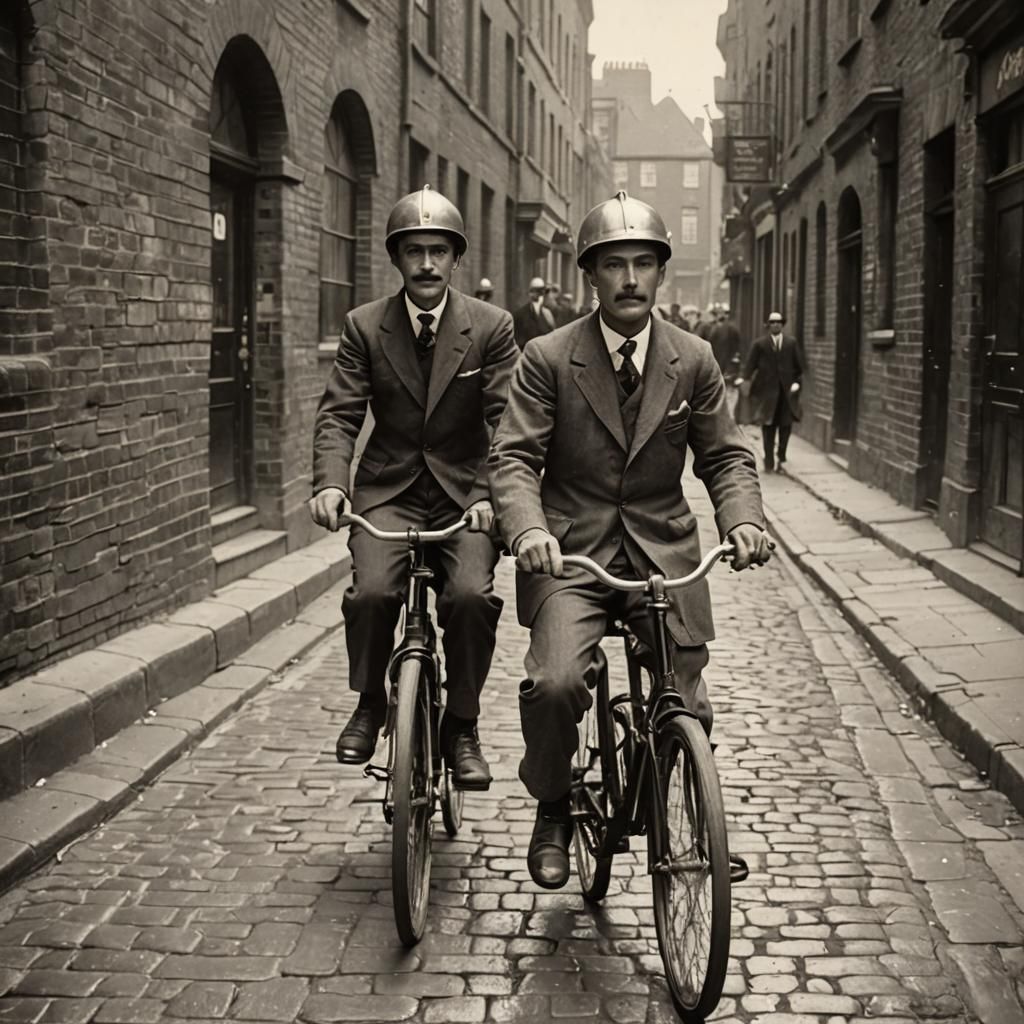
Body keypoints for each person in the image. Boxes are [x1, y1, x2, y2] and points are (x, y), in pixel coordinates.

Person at [488, 191, 772, 890]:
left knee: (690, 706)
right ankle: (554, 805)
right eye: (613, 265)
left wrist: (742, 519)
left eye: (643, 263)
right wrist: (526, 528)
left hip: (663, 552)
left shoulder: (694, 359)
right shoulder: (549, 357)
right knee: (554, 684)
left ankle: (688, 815)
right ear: (590, 274)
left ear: (661, 273)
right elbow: (515, 458)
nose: (629, 279)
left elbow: (726, 457)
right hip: (572, 552)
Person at [309, 185, 518, 791]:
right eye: (414, 251)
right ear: (396, 259)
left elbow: (507, 422)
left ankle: (462, 724)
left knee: (471, 599)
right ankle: (370, 702)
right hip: (389, 490)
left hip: (465, 495)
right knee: (372, 593)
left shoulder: (491, 328)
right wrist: (331, 484)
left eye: (439, 251)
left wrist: (488, 495)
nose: (427, 264)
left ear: (456, 259)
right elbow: (340, 413)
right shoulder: (364, 327)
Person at [735, 311, 805, 473]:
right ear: (768, 325)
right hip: (767, 393)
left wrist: (796, 383)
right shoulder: (760, 344)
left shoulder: (791, 343)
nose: (775, 325)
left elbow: (799, 368)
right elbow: (750, 365)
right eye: (772, 322)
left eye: (779, 322)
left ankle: (782, 456)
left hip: (786, 393)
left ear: (782, 325)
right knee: (768, 426)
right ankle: (768, 460)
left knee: (786, 425)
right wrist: (742, 378)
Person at [709, 308, 743, 415]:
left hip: (723, 361)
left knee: (725, 387)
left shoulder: (723, 329)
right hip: (723, 361)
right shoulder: (715, 328)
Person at [512, 277, 556, 348]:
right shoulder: (519, 315)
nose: (539, 295)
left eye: (541, 292)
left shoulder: (547, 314)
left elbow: (552, 336)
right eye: (536, 291)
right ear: (530, 292)